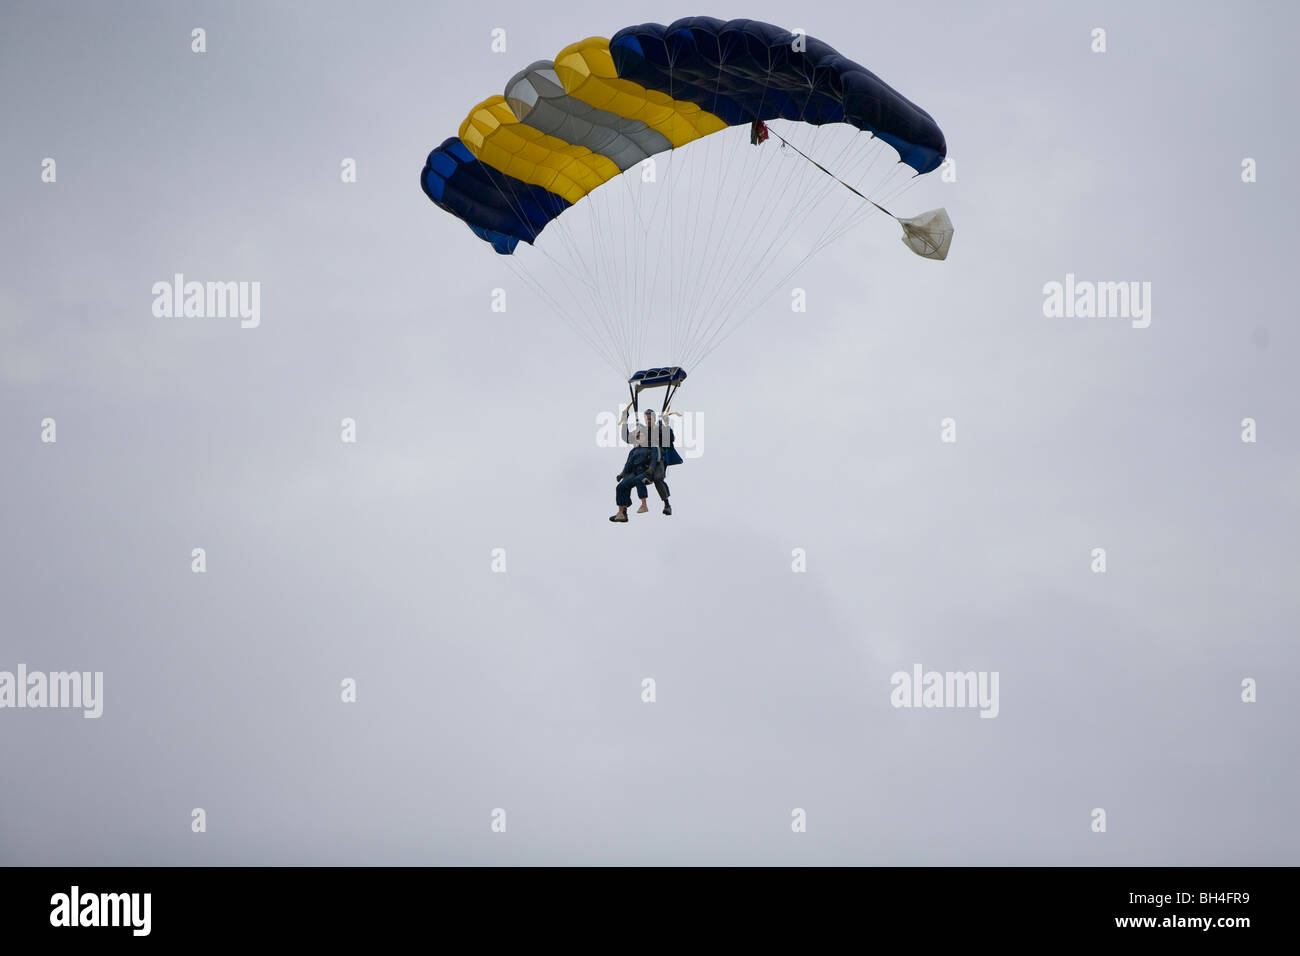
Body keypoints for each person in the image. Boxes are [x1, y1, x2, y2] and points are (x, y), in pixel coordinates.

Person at [617, 406, 673, 516]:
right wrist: (625, 421)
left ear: (654, 418)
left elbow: (669, 439)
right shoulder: (641, 430)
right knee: (627, 479)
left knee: (657, 478)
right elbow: (627, 438)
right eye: (647, 418)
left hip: (657, 457)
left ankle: (667, 505)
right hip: (643, 460)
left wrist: (666, 424)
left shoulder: (659, 428)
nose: (648, 419)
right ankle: (623, 510)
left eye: (650, 418)